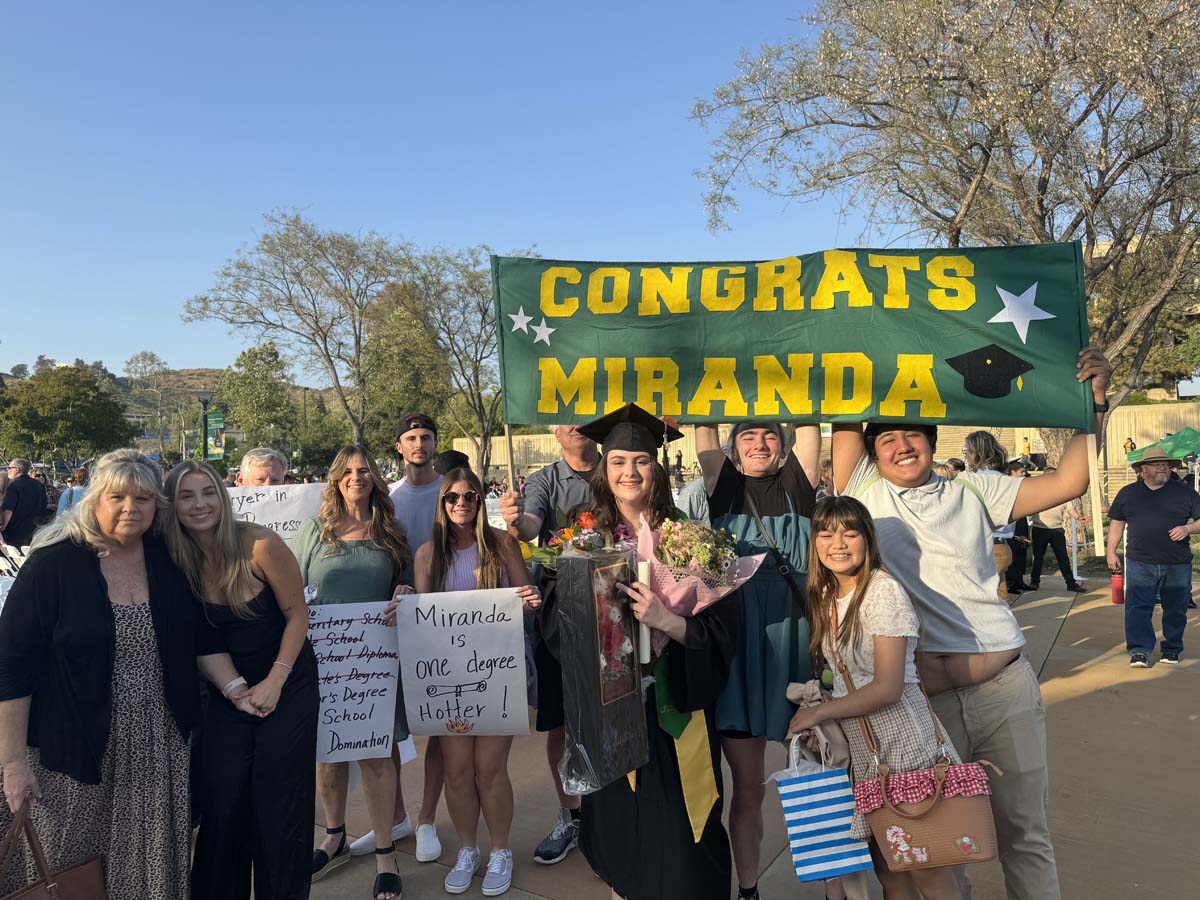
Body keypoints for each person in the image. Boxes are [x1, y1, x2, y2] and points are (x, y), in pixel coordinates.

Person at [831, 346, 1112, 900]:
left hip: (1001, 691)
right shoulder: (861, 495)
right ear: (872, 454)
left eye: (912, 435)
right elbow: (845, 407)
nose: (901, 446)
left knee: (1023, 836)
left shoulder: (976, 488)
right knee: (940, 847)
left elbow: (1069, 483)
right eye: (886, 439)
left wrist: (1094, 402)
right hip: (922, 708)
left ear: (934, 444)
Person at [0, 449, 255, 900]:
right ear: (93, 499)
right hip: (72, 745)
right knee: (67, 864)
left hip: (157, 743)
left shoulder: (168, 559)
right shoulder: (54, 564)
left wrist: (237, 688)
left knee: (145, 863)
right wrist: (13, 762)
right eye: (117, 497)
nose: (129, 509)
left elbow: (198, 639)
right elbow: (13, 667)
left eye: (142, 499)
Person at [574, 404, 739, 900]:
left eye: (641, 461)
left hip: (674, 708)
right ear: (605, 469)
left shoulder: (689, 540)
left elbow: (722, 629)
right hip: (612, 715)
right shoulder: (582, 538)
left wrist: (669, 622)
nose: (630, 472)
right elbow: (561, 631)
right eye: (619, 461)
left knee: (686, 833)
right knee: (624, 830)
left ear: (657, 469)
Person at [789, 496, 962, 900]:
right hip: (867, 750)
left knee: (925, 868)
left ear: (868, 540)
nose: (838, 542)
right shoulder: (829, 595)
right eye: (827, 533)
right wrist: (828, 723)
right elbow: (847, 679)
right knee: (889, 869)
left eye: (850, 532)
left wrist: (820, 713)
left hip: (904, 744)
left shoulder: (882, 592)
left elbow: (888, 686)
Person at [164, 460, 319, 900]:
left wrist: (273, 682)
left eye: (207, 492)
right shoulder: (175, 558)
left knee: (278, 802)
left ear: (223, 495)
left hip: (288, 681)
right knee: (224, 796)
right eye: (186, 496)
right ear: (171, 504)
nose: (199, 505)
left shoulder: (260, 545)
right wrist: (234, 690)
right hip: (226, 687)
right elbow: (200, 639)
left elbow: (297, 614)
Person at [696, 420, 820, 900]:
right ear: (733, 448)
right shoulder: (722, 487)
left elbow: (811, 417)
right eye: (748, 437)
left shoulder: (798, 485)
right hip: (741, 650)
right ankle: (748, 889)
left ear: (784, 446)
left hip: (798, 647)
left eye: (770, 436)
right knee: (748, 788)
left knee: (818, 780)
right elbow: (703, 424)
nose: (759, 444)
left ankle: (836, 888)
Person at [409, 468, 540, 896]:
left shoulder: (502, 545)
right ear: (441, 504)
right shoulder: (428, 554)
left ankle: (500, 849)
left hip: (498, 674)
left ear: (482, 502)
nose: (461, 504)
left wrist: (529, 600)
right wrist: (405, 604)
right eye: (452, 497)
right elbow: (422, 614)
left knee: (489, 770)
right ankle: (468, 849)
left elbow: (525, 602)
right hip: (449, 677)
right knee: (458, 771)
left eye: (470, 496)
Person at [294, 446, 412, 900]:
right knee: (328, 754)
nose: (356, 477)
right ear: (335, 479)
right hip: (322, 660)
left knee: (377, 756)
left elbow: (407, 583)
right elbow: (292, 589)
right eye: (347, 471)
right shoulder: (313, 531)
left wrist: (406, 590)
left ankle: (385, 852)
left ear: (376, 478)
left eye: (364, 471)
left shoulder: (391, 531)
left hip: (375, 663)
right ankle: (335, 835)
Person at [499, 423, 600, 865]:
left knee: (613, 715)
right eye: (565, 418)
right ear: (556, 433)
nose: (575, 424)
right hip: (559, 615)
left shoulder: (619, 467)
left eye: (584, 415)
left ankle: (612, 816)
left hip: (616, 613)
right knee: (559, 723)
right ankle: (570, 817)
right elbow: (528, 526)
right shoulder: (545, 481)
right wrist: (516, 519)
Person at [374, 412, 445, 864]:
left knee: (439, 726)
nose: (418, 444)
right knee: (392, 731)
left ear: (436, 443)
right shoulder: (389, 501)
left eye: (426, 436)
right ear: (399, 446)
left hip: (449, 625)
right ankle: (397, 816)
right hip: (397, 621)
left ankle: (426, 819)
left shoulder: (453, 493)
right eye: (411, 438)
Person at [1106, 447, 1200, 667]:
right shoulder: (1128, 493)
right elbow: (1117, 523)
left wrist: (1188, 529)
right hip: (1140, 561)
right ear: (1142, 470)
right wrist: (1111, 551)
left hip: (1177, 562)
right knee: (1138, 607)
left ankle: (1172, 648)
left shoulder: (1185, 492)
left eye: (1165, 464)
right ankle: (1139, 650)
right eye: (1157, 464)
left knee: (1176, 608)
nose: (1163, 468)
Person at [962, 431, 1016, 601]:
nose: (966, 456)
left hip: (984, 548)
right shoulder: (1006, 480)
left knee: (981, 602)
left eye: (966, 451)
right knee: (1000, 597)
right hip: (1002, 546)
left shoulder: (974, 481)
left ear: (976, 453)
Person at [1028, 468, 1086, 593]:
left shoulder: (1063, 492)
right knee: (1038, 557)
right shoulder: (1037, 491)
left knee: (1063, 557)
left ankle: (1071, 583)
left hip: (1056, 530)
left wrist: (1079, 517)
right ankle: (1034, 582)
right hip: (1040, 528)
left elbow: (1070, 509)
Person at [0, 459, 47, 548]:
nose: (7, 470)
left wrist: (3, 527)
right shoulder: (39, 485)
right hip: (36, 531)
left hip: (15, 533)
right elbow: (44, 506)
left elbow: (8, 511)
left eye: (9, 467)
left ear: (16, 469)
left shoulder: (13, 486)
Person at [1005, 460, 1033, 595]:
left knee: (1022, 551)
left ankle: (1019, 580)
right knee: (1013, 552)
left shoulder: (1022, 485)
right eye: (1021, 472)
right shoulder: (1007, 486)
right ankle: (1010, 583)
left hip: (1022, 519)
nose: (1024, 474)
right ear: (1012, 473)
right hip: (1011, 521)